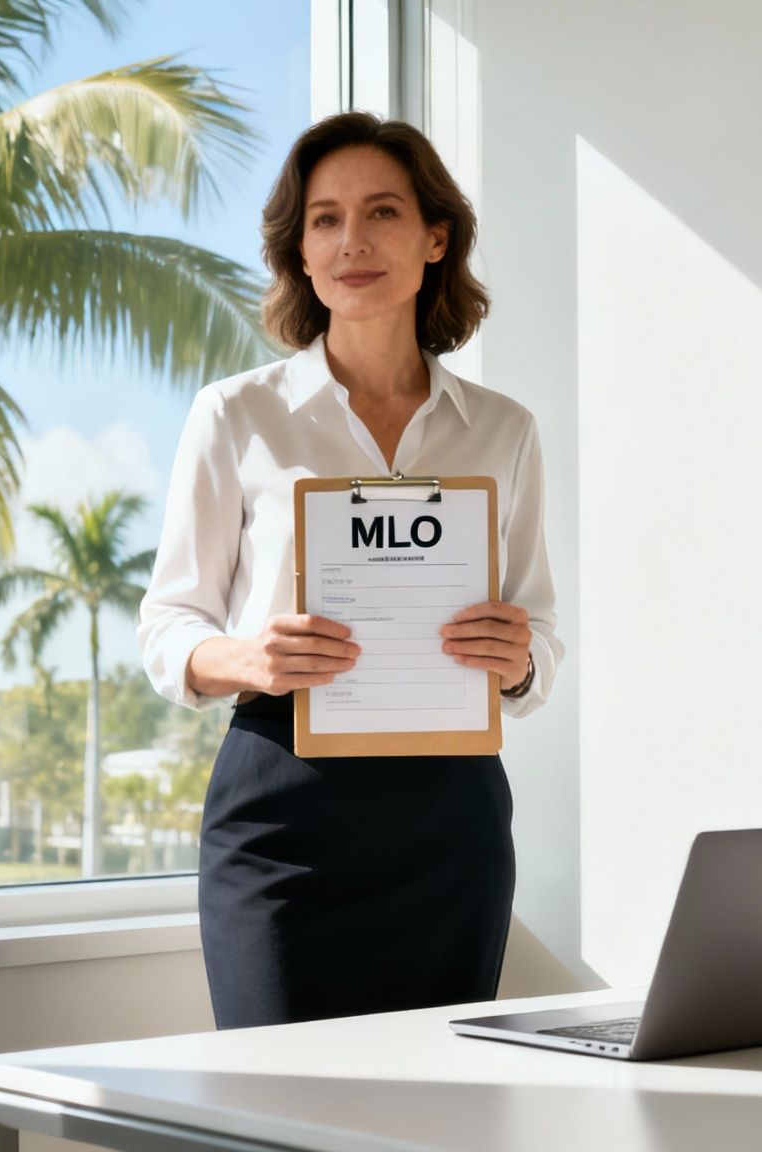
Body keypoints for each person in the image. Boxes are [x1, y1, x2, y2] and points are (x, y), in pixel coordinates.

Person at [136, 111, 563, 1030]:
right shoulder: (235, 416)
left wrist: (518, 657)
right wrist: (249, 660)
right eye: (324, 219)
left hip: (451, 826)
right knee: (274, 1108)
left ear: (434, 237)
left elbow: (541, 640)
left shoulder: (503, 430)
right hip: (281, 815)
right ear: (299, 248)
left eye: (382, 212)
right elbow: (168, 626)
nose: (352, 241)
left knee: (436, 1115)